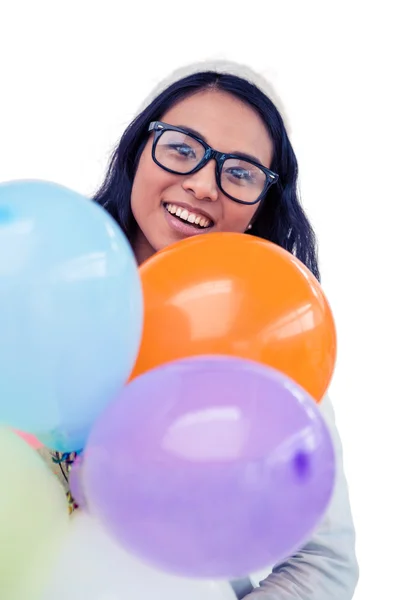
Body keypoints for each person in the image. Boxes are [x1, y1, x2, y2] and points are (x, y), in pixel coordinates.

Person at [53, 60, 359, 598]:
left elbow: (323, 564)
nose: (200, 184)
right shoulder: (40, 283)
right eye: (181, 147)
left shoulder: (273, 350)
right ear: (138, 150)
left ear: (262, 203)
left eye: (239, 172)